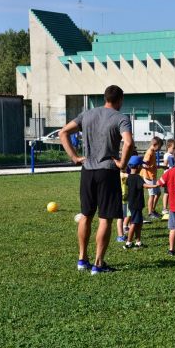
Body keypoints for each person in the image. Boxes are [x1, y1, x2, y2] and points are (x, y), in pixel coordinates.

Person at [59, 85, 133, 275]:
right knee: (105, 218)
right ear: (120, 99)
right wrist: (123, 164)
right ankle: (98, 264)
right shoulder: (121, 118)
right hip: (107, 171)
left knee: (86, 215)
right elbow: (129, 142)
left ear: (105, 98)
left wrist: (75, 158)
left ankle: (82, 259)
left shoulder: (87, 114)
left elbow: (63, 132)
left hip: (88, 171)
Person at [124, 155, 159, 250]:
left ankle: (138, 242)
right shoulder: (138, 177)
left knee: (139, 223)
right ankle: (128, 243)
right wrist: (155, 185)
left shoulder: (129, 177)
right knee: (134, 223)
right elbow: (145, 186)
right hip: (136, 204)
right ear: (139, 166)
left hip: (133, 203)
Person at [141, 136, 164, 220]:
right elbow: (143, 164)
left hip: (152, 176)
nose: (160, 148)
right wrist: (150, 167)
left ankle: (153, 210)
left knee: (158, 193)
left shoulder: (153, 151)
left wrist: (156, 166)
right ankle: (150, 213)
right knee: (152, 195)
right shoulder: (149, 152)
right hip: (148, 177)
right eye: (160, 146)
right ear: (155, 144)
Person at [161, 139, 175, 218]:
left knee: (173, 192)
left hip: (173, 176)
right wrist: (169, 165)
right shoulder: (167, 155)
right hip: (167, 177)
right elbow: (165, 165)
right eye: (173, 148)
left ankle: (173, 207)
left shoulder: (174, 155)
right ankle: (164, 208)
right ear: (169, 147)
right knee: (166, 192)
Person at [116, 169, 130, 242]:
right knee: (120, 217)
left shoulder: (125, 174)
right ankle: (120, 235)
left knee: (128, 214)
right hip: (121, 199)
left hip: (127, 198)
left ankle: (125, 227)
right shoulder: (121, 174)